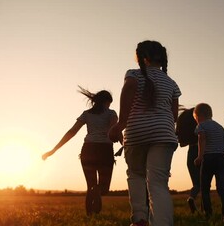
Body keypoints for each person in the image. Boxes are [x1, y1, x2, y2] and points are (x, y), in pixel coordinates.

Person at [109, 40, 181, 226]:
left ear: (141, 57)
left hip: (136, 133)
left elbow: (128, 90)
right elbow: (173, 115)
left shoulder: (133, 74)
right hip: (164, 134)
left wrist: (121, 123)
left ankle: (140, 218)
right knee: (158, 183)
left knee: (136, 175)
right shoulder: (171, 83)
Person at [42, 86, 118, 216]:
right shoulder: (112, 113)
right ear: (107, 102)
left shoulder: (86, 114)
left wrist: (53, 150)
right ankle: (95, 210)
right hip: (104, 151)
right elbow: (113, 132)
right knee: (103, 188)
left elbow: (72, 132)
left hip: (88, 150)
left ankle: (90, 216)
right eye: (109, 103)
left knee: (91, 186)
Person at [193, 103, 224, 222]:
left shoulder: (201, 126)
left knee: (205, 188)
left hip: (208, 158)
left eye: (196, 118)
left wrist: (199, 156)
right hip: (221, 158)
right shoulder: (219, 127)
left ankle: (208, 213)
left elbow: (202, 139)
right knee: (222, 188)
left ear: (198, 116)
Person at [176, 107, 200, 213]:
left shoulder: (186, 128)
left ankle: (191, 197)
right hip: (201, 152)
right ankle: (206, 210)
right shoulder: (201, 126)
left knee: (196, 183)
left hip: (191, 153)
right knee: (204, 183)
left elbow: (182, 144)